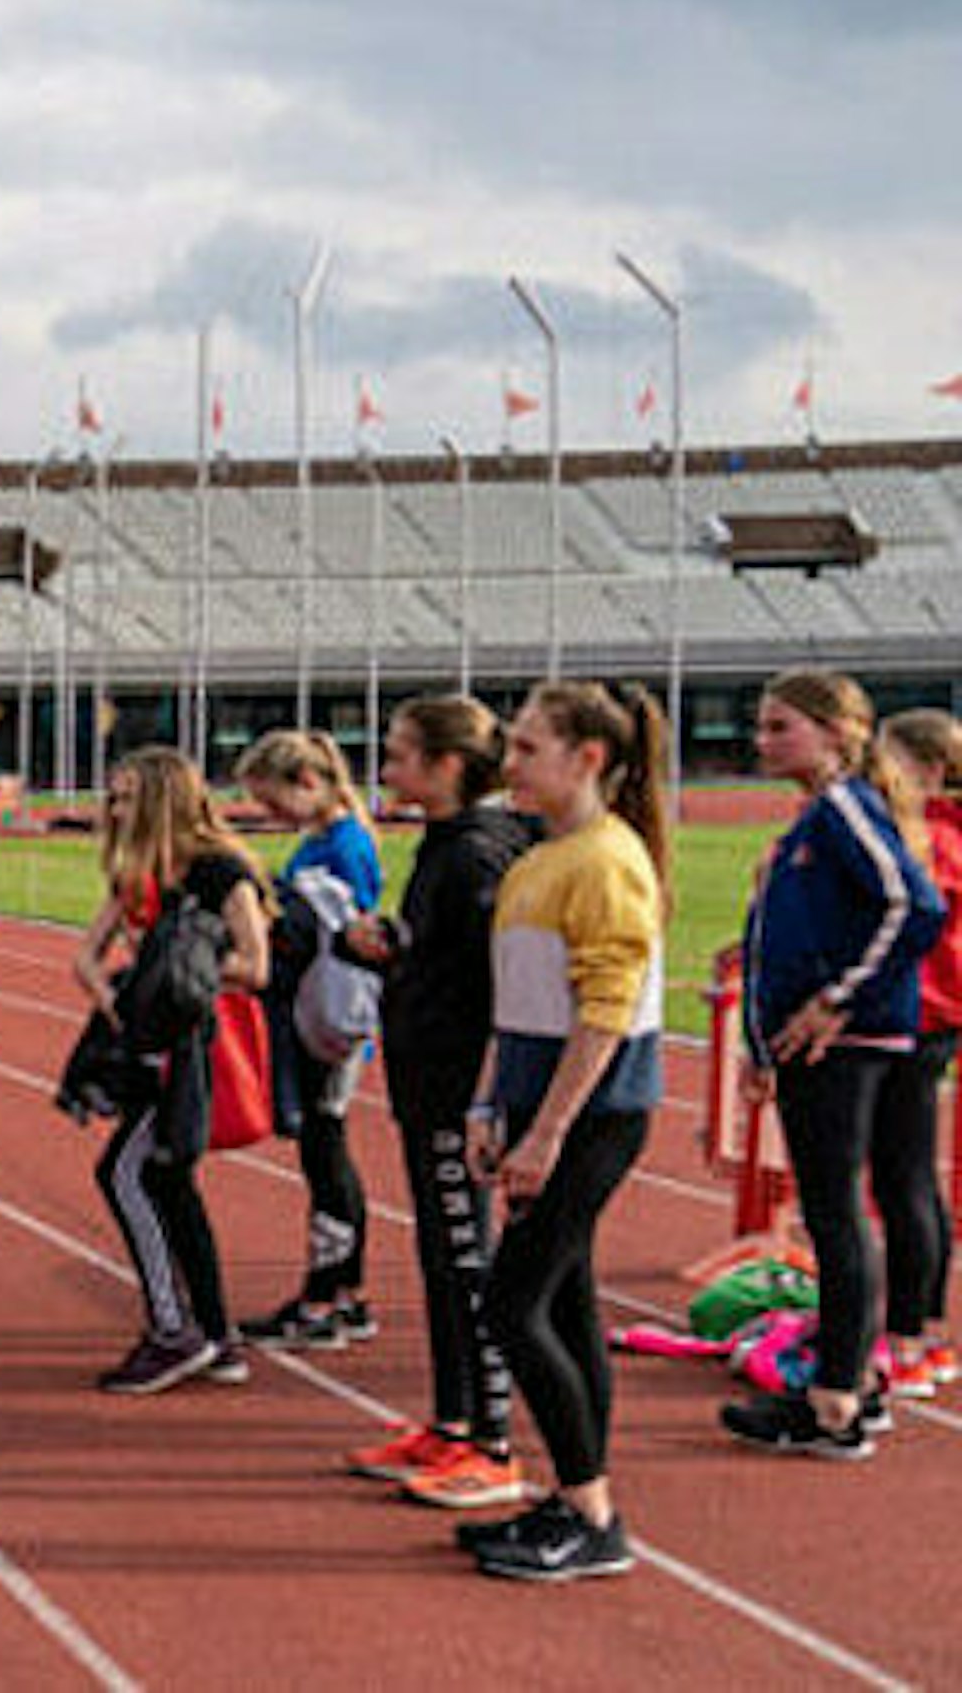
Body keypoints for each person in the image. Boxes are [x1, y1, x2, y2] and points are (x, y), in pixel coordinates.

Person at [463, 678, 671, 1582]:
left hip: (592, 1114)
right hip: (541, 1106)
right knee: (566, 1299)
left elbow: (607, 1011)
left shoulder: (605, 858)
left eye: (525, 748)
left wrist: (546, 1133)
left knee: (514, 1303)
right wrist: (486, 1104)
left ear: (586, 759)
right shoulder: (538, 860)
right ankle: (579, 1495)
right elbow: (514, 1007)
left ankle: (592, 1513)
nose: (507, 762)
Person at [725, 668, 947, 1460]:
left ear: (835, 732)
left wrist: (837, 1002)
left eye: (780, 726)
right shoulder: (820, 817)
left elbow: (914, 907)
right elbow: (777, 939)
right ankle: (854, 1385)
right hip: (824, 1042)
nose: (762, 741)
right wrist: (760, 1041)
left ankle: (835, 1401)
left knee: (835, 1214)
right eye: (760, 725)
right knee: (838, 1213)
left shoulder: (846, 808)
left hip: (845, 1045)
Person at [338, 695, 539, 1511]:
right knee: (440, 1257)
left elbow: (503, 980)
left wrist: (488, 1098)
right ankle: (453, 1418)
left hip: (460, 1093)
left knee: (468, 1260)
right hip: (428, 1085)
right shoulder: (448, 846)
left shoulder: (479, 853)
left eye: (399, 755)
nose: (385, 770)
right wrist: (391, 952)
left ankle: (491, 1442)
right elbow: (445, 964)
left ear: (447, 766)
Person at [70, 746, 271, 1393]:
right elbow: (86, 953)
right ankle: (217, 1335)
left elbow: (255, 963)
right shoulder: (138, 871)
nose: (116, 808)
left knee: (125, 1175)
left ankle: (172, 1330)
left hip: (197, 1046)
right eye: (113, 797)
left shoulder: (218, 871)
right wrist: (113, 995)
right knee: (171, 1183)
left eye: (128, 797)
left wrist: (179, 973)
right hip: (150, 1046)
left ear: (163, 800)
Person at [239, 728, 388, 1347]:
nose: (272, 817)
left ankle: (325, 1301)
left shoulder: (345, 846)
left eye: (275, 804)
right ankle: (345, 1294)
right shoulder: (328, 839)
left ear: (308, 783)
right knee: (327, 1153)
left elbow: (347, 933)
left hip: (331, 1016)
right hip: (319, 1010)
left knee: (326, 1155)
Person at [878, 707, 962, 1398]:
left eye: (892, 760)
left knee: (901, 1179)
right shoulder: (948, 834)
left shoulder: (928, 837)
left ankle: (910, 1338)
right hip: (935, 1016)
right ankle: (925, 1331)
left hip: (916, 1016)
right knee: (913, 1179)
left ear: (930, 769)